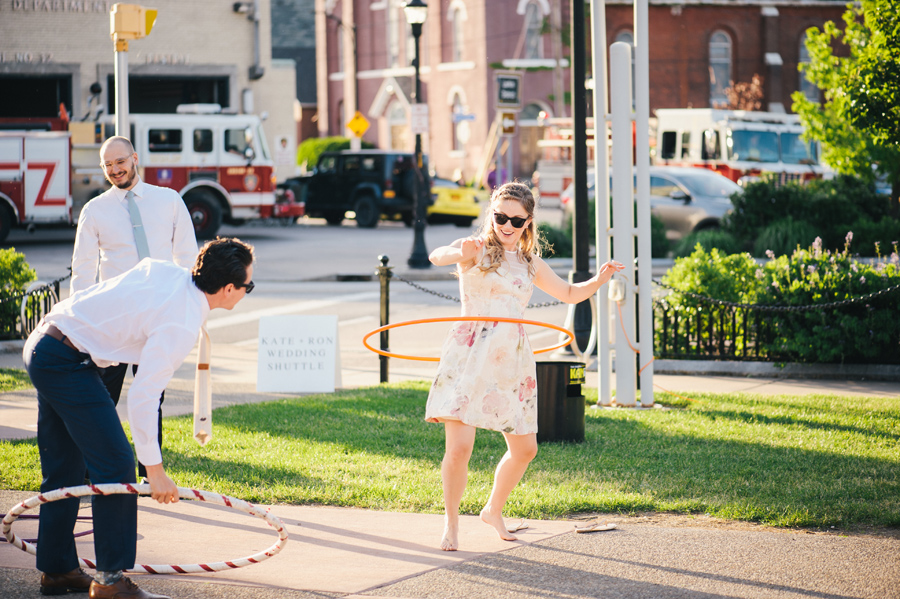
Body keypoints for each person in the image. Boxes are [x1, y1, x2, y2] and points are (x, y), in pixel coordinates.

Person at [24, 237, 255, 599]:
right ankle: (111, 581)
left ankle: (57, 570)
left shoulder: (166, 272)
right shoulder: (182, 321)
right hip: (66, 359)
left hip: (45, 344)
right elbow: (144, 396)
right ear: (228, 289)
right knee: (115, 465)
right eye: (248, 286)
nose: (246, 291)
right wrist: (155, 470)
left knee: (66, 469)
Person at [426, 182, 624, 552]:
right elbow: (439, 255)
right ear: (492, 214)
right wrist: (459, 251)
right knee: (459, 449)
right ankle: (451, 523)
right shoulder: (477, 249)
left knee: (525, 450)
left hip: (511, 360)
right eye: (500, 217)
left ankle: (492, 510)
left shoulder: (531, 263)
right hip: (469, 354)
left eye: (516, 220)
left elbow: (568, 293)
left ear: (528, 222)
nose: (506, 225)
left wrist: (599, 280)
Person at [71, 135, 198, 480]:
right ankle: (91, 470)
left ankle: (148, 473)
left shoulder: (169, 200)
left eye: (120, 162)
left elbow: (187, 258)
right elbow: (83, 270)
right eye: (107, 165)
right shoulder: (94, 210)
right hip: (113, 320)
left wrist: (185, 307)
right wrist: (81, 323)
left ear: (135, 158)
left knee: (151, 397)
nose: (115, 170)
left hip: (158, 318)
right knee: (101, 400)